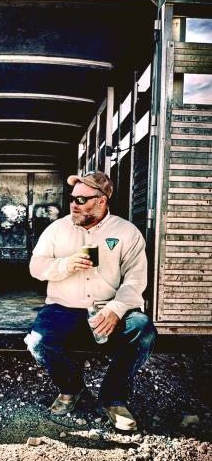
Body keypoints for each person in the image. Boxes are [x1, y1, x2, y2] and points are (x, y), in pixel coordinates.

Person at [25, 170, 157, 432]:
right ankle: (71, 389)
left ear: (101, 200)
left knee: (143, 330)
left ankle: (112, 399)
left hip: (108, 307)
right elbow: (36, 267)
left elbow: (136, 280)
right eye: (73, 198)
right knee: (38, 342)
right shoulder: (57, 229)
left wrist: (117, 309)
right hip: (63, 308)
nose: (74, 204)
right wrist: (65, 265)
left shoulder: (126, 232)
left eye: (82, 199)